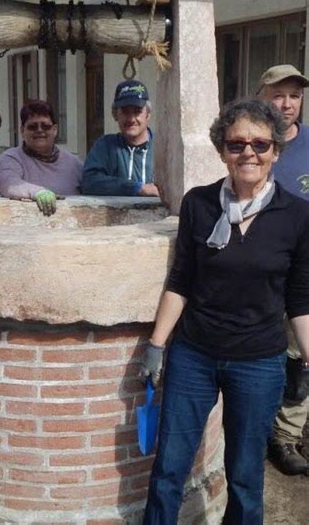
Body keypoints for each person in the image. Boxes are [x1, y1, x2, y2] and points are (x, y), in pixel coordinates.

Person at [139, 99, 309, 524]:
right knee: (168, 470)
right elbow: (181, 280)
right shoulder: (199, 204)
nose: (248, 153)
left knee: (245, 475)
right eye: (236, 144)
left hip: (259, 362)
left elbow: (300, 296)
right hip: (193, 355)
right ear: (221, 150)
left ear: (275, 151)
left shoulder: (298, 214)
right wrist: (157, 345)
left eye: (260, 144)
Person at [257, 64, 309, 475]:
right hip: (262, 274)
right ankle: (254, 431)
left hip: (304, 275)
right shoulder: (250, 145)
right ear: (262, 97)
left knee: (299, 359)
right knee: (261, 357)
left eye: (294, 95)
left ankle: (286, 437)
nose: (287, 103)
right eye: (278, 94)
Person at [0, 100, 82, 216]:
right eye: (33, 126)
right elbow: (7, 183)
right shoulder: (11, 158)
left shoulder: (74, 163)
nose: (40, 130)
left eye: (45, 126)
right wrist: (38, 192)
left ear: (55, 130)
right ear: (22, 130)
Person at [81, 79, 159, 197]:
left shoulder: (162, 146)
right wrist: (138, 188)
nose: (131, 119)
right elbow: (89, 182)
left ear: (148, 114)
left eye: (137, 112)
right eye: (125, 112)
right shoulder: (106, 146)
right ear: (115, 114)